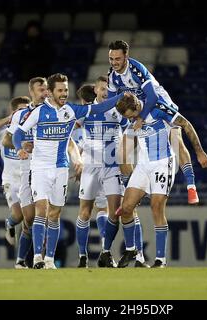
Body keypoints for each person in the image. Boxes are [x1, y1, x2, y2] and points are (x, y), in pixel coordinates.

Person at [12, 73, 125, 269]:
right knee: (41, 210)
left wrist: (121, 98)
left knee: (55, 213)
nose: (64, 93)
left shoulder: (71, 111)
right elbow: (18, 133)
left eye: (66, 90)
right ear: (50, 92)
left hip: (61, 167)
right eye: (60, 90)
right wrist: (20, 148)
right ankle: (38, 257)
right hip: (40, 168)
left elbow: (99, 107)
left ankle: (49, 259)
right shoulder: (39, 112)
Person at [107, 40, 207, 204]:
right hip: (137, 108)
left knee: (176, 140)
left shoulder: (136, 70)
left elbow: (153, 97)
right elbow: (111, 102)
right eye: (111, 59)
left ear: (126, 56)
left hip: (158, 104)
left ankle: (191, 186)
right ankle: (132, 189)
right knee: (121, 152)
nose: (114, 63)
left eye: (117, 59)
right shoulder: (112, 77)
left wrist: (141, 118)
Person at [114, 93, 207, 268]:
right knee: (126, 208)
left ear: (137, 107)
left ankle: (160, 260)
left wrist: (199, 151)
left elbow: (185, 124)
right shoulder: (132, 118)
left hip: (162, 163)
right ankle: (131, 250)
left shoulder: (160, 109)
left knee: (156, 207)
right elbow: (125, 148)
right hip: (143, 165)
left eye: (131, 116)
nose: (131, 119)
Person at [74, 78, 150, 268]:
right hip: (90, 167)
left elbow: (132, 133)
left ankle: (129, 255)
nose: (106, 92)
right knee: (84, 212)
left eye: (109, 89)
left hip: (112, 167)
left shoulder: (119, 112)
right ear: (96, 90)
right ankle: (82, 257)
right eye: (102, 88)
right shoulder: (87, 111)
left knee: (120, 211)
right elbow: (68, 132)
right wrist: (77, 155)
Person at [3, 77, 49, 268]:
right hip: (25, 172)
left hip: (46, 170)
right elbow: (7, 140)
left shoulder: (52, 112)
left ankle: (41, 259)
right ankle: (22, 259)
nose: (45, 92)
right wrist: (21, 144)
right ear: (32, 92)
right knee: (29, 218)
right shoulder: (21, 115)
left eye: (46, 89)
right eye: (41, 89)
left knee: (45, 216)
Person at [0, 96, 30, 268]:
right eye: (21, 110)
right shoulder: (5, 130)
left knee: (29, 220)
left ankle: (21, 261)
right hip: (11, 179)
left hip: (28, 177)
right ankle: (9, 223)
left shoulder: (30, 128)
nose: (25, 113)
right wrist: (9, 119)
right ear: (13, 111)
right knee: (18, 216)